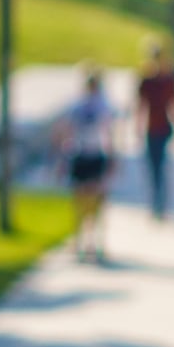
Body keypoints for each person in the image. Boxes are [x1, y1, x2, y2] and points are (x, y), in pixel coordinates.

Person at [54, 67, 114, 261]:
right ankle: (89, 243)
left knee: (86, 203)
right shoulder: (99, 105)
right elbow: (67, 132)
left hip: (88, 155)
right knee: (91, 203)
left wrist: (62, 159)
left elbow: (67, 133)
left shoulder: (83, 105)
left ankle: (89, 243)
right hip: (89, 155)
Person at [130, 43, 174, 221]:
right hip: (151, 128)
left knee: (160, 166)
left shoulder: (168, 79)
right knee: (153, 167)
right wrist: (138, 126)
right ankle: (156, 203)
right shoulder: (146, 80)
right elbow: (140, 106)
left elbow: (173, 104)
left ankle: (160, 203)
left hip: (163, 127)